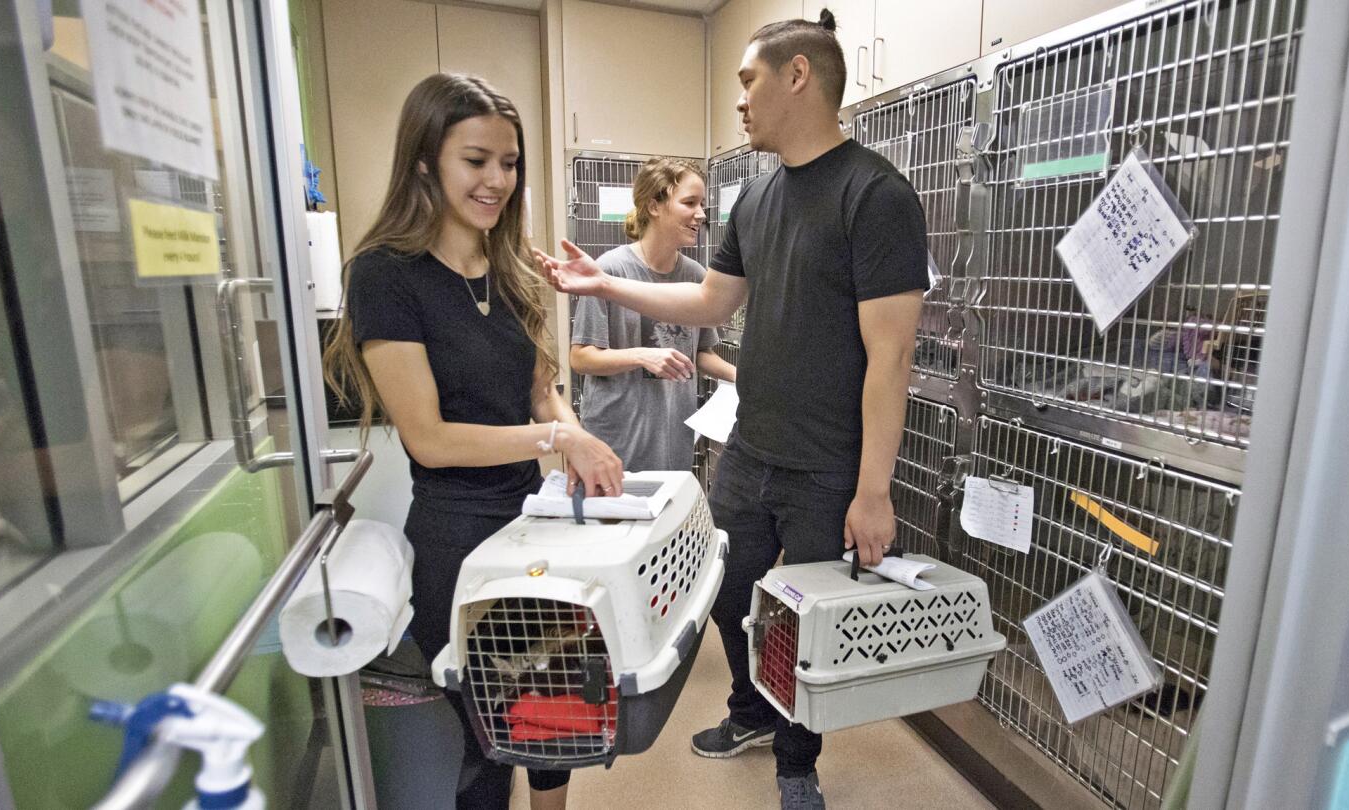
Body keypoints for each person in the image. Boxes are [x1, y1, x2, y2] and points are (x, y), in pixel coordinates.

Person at [534, 10, 927, 809]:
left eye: (748, 81)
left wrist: (874, 489)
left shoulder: (876, 195)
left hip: (828, 461)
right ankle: (751, 709)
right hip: (752, 450)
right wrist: (603, 284)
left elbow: (891, 357)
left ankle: (795, 761)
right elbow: (710, 301)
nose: (739, 101)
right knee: (724, 584)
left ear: (797, 76)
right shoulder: (754, 198)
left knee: (802, 618)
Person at [323, 73, 623, 810]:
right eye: (476, 160)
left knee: (557, 721)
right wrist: (556, 435)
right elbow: (429, 440)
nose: (497, 180)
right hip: (458, 546)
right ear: (426, 160)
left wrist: (577, 441)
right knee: (487, 749)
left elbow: (541, 385)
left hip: (535, 528)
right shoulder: (385, 277)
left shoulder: (510, 266)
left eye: (510, 162)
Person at [570, 157, 736, 472]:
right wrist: (642, 356)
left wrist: (741, 377)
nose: (700, 214)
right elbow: (581, 358)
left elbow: (700, 353)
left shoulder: (696, 276)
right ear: (654, 206)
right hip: (618, 439)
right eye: (690, 203)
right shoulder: (610, 270)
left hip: (672, 439)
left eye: (702, 204)